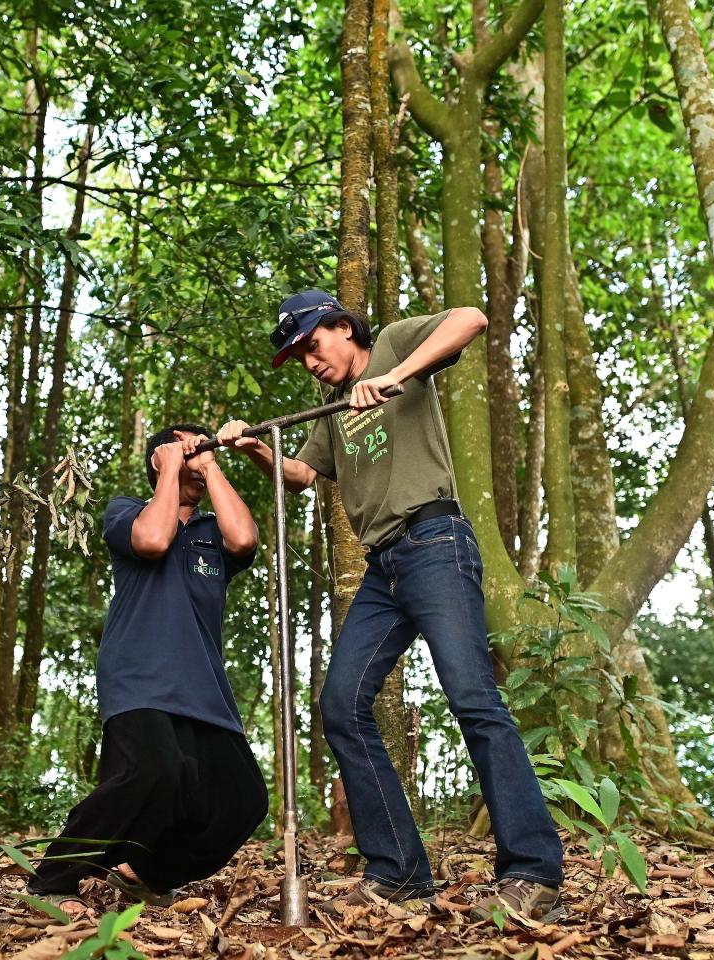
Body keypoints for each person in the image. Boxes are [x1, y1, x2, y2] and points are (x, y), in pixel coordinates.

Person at [216, 290, 564, 920]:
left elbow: (472, 320)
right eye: (297, 357)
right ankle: (399, 872)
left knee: (473, 700)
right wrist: (254, 448)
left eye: (312, 346)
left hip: (435, 543)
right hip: (384, 568)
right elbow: (300, 475)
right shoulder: (330, 408)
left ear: (343, 327)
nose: (309, 363)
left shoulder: (399, 342)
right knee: (341, 704)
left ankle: (533, 872)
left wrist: (394, 377)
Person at [26, 425, 267, 917]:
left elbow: (243, 539)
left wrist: (210, 464)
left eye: (201, 443)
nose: (195, 449)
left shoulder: (211, 535)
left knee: (244, 800)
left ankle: (147, 873)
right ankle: (55, 877)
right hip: (140, 676)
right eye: (183, 444)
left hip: (204, 689)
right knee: (154, 772)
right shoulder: (126, 512)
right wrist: (171, 469)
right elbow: (154, 541)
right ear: (159, 459)